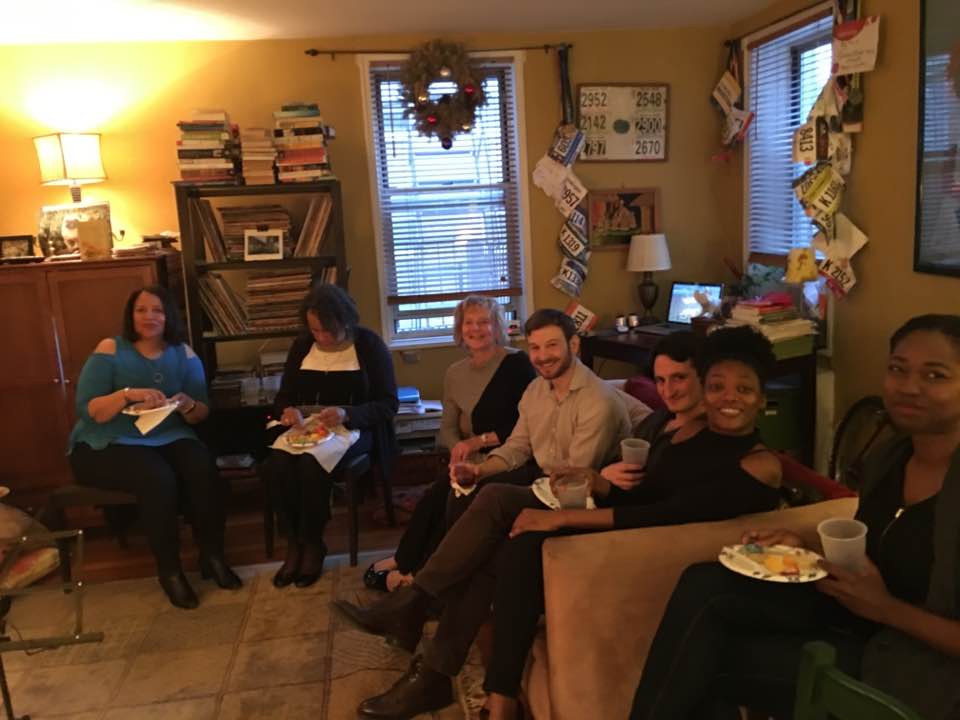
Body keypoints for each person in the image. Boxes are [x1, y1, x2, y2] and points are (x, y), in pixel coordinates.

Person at [338, 325, 782, 720]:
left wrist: (561, 517)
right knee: (498, 524)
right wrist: (598, 481)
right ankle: (437, 655)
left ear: (763, 398)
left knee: (516, 539)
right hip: (622, 517)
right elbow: (649, 491)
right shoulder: (681, 427)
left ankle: (441, 642)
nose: (727, 398)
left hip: (640, 545)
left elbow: (667, 513)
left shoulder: (757, 464)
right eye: (718, 386)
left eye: (743, 390)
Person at [629, 314, 960, 720]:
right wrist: (806, 550)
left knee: (706, 659)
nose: (909, 386)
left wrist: (886, 608)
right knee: (706, 584)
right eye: (898, 369)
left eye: (935, 375)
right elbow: (873, 555)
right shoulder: (890, 459)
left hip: (915, 657)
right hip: (854, 613)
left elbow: (886, 595)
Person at [68, 285, 240, 610]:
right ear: (131, 316)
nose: (149, 316)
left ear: (168, 316)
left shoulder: (184, 354)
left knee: (202, 465)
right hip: (108, 440)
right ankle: (170, 571)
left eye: (157, 310)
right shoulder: (110, 349)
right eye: (141, 310)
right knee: (157, 478)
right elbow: (89, 410)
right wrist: (128, 394)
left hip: (169, 434)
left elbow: (200, 412)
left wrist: (188, 405)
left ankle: (213, 556)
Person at [364, 296, 535, 593]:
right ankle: (406, 562)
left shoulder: (517, 364)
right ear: (459, 329)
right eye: (469, 322)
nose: (476, 329)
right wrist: (458, 451)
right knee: (432, 497)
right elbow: (447, 427)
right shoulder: (455, 373)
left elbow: (527, 425)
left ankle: (419, 575)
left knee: (453, 501)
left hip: (507, 458)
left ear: (497, 327)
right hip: (469, 460)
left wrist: (477, 442)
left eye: (484, 322)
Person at [265, 284, 398, 589]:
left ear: (346, 321)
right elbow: (283, 396)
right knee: (277, 463)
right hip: (307, 428)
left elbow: (388, 404)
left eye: (330, 331)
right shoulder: (302, 346)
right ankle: (293, 543)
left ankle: (313, 544)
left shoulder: (369, 346)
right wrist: (287, 411)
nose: (323, 338)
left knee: (310, 465)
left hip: (354, 428)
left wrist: (346, 413)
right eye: (315, 330)